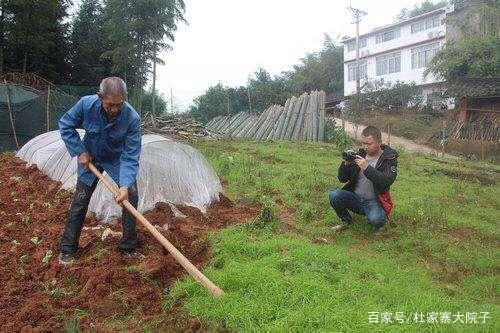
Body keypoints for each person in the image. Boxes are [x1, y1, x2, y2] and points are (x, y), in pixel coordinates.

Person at [58, 77, 142, 265]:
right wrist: (79, 151)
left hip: (116, 159)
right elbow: (65, 124)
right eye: (110, 105)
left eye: (119, 105)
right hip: (91, 157)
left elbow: (130, 155)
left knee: (131, 195)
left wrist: (125, 185)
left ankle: (128, 246)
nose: (115, 110)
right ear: (99, 97)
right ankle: (67, 249)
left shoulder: (132, 118)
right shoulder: (86, 105)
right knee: (80, 200)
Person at [329, 126, 398, 233]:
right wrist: (346, 164)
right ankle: (346, 221)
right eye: (363, 143)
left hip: (374, 201)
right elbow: (342, 179)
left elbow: (386, 182)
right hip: (356, 198)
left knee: (376, 220)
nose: (365, 147)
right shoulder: (360, 155)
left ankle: (377, 219)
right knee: (335, 195)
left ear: (379, 142)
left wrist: (367, 168)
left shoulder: (388, 159)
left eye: (369, 144)